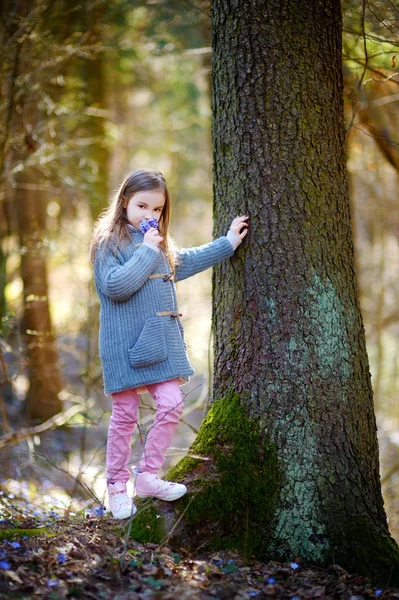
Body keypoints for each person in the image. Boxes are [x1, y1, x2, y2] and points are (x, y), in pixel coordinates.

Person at [90, 168, 249, 519]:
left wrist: (228, 244)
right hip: (121, 345)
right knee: (125, 414)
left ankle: (147, 476)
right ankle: (117, 486)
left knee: (172, 401)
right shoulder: (107, 243)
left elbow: (184, 261)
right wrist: (147, 251)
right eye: (142, 206)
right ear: (124, 202)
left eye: (157, 210)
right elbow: (116, 286)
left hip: (156, 344)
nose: (149, 216)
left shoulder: (159, 245)